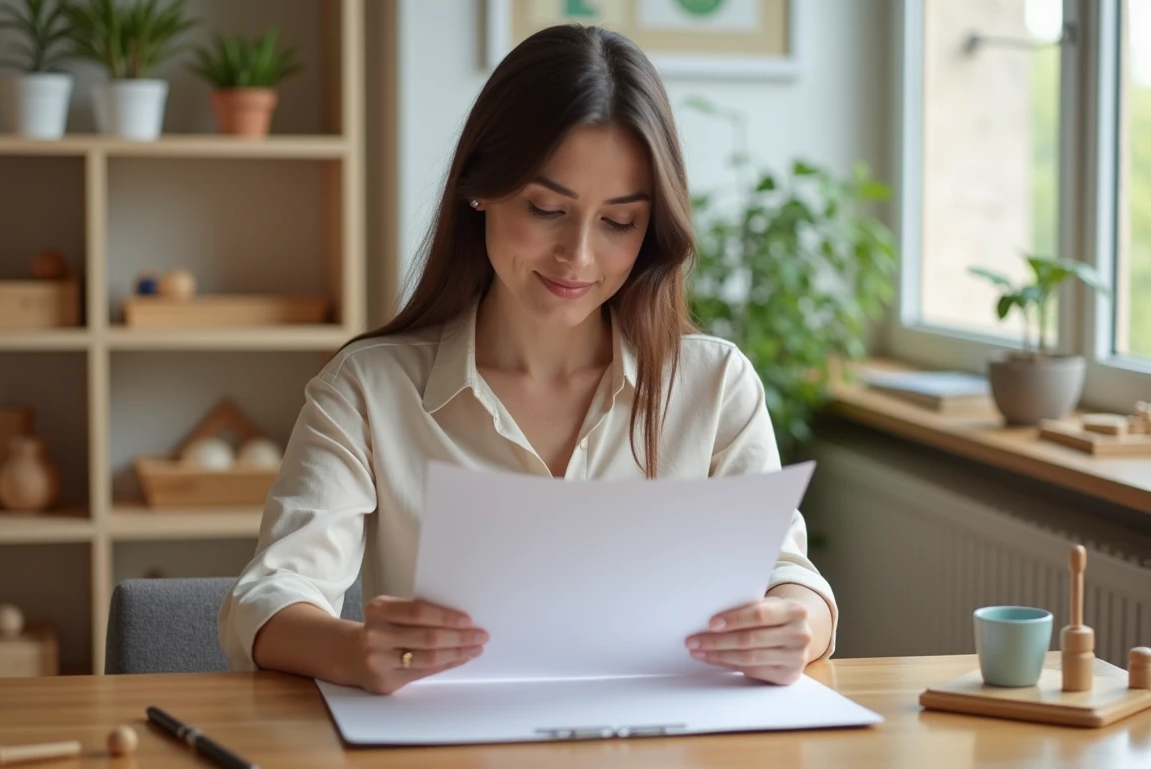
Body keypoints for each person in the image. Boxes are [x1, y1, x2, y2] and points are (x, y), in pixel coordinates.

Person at [217, 23, 837, 696]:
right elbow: (268, 598)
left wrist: (798, 625)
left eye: (619, 222)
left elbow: (790, 578)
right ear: (481, 185)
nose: (578, 256)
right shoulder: (368, 391)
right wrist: (353, 648)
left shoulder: (714, 386)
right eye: (547, 208)